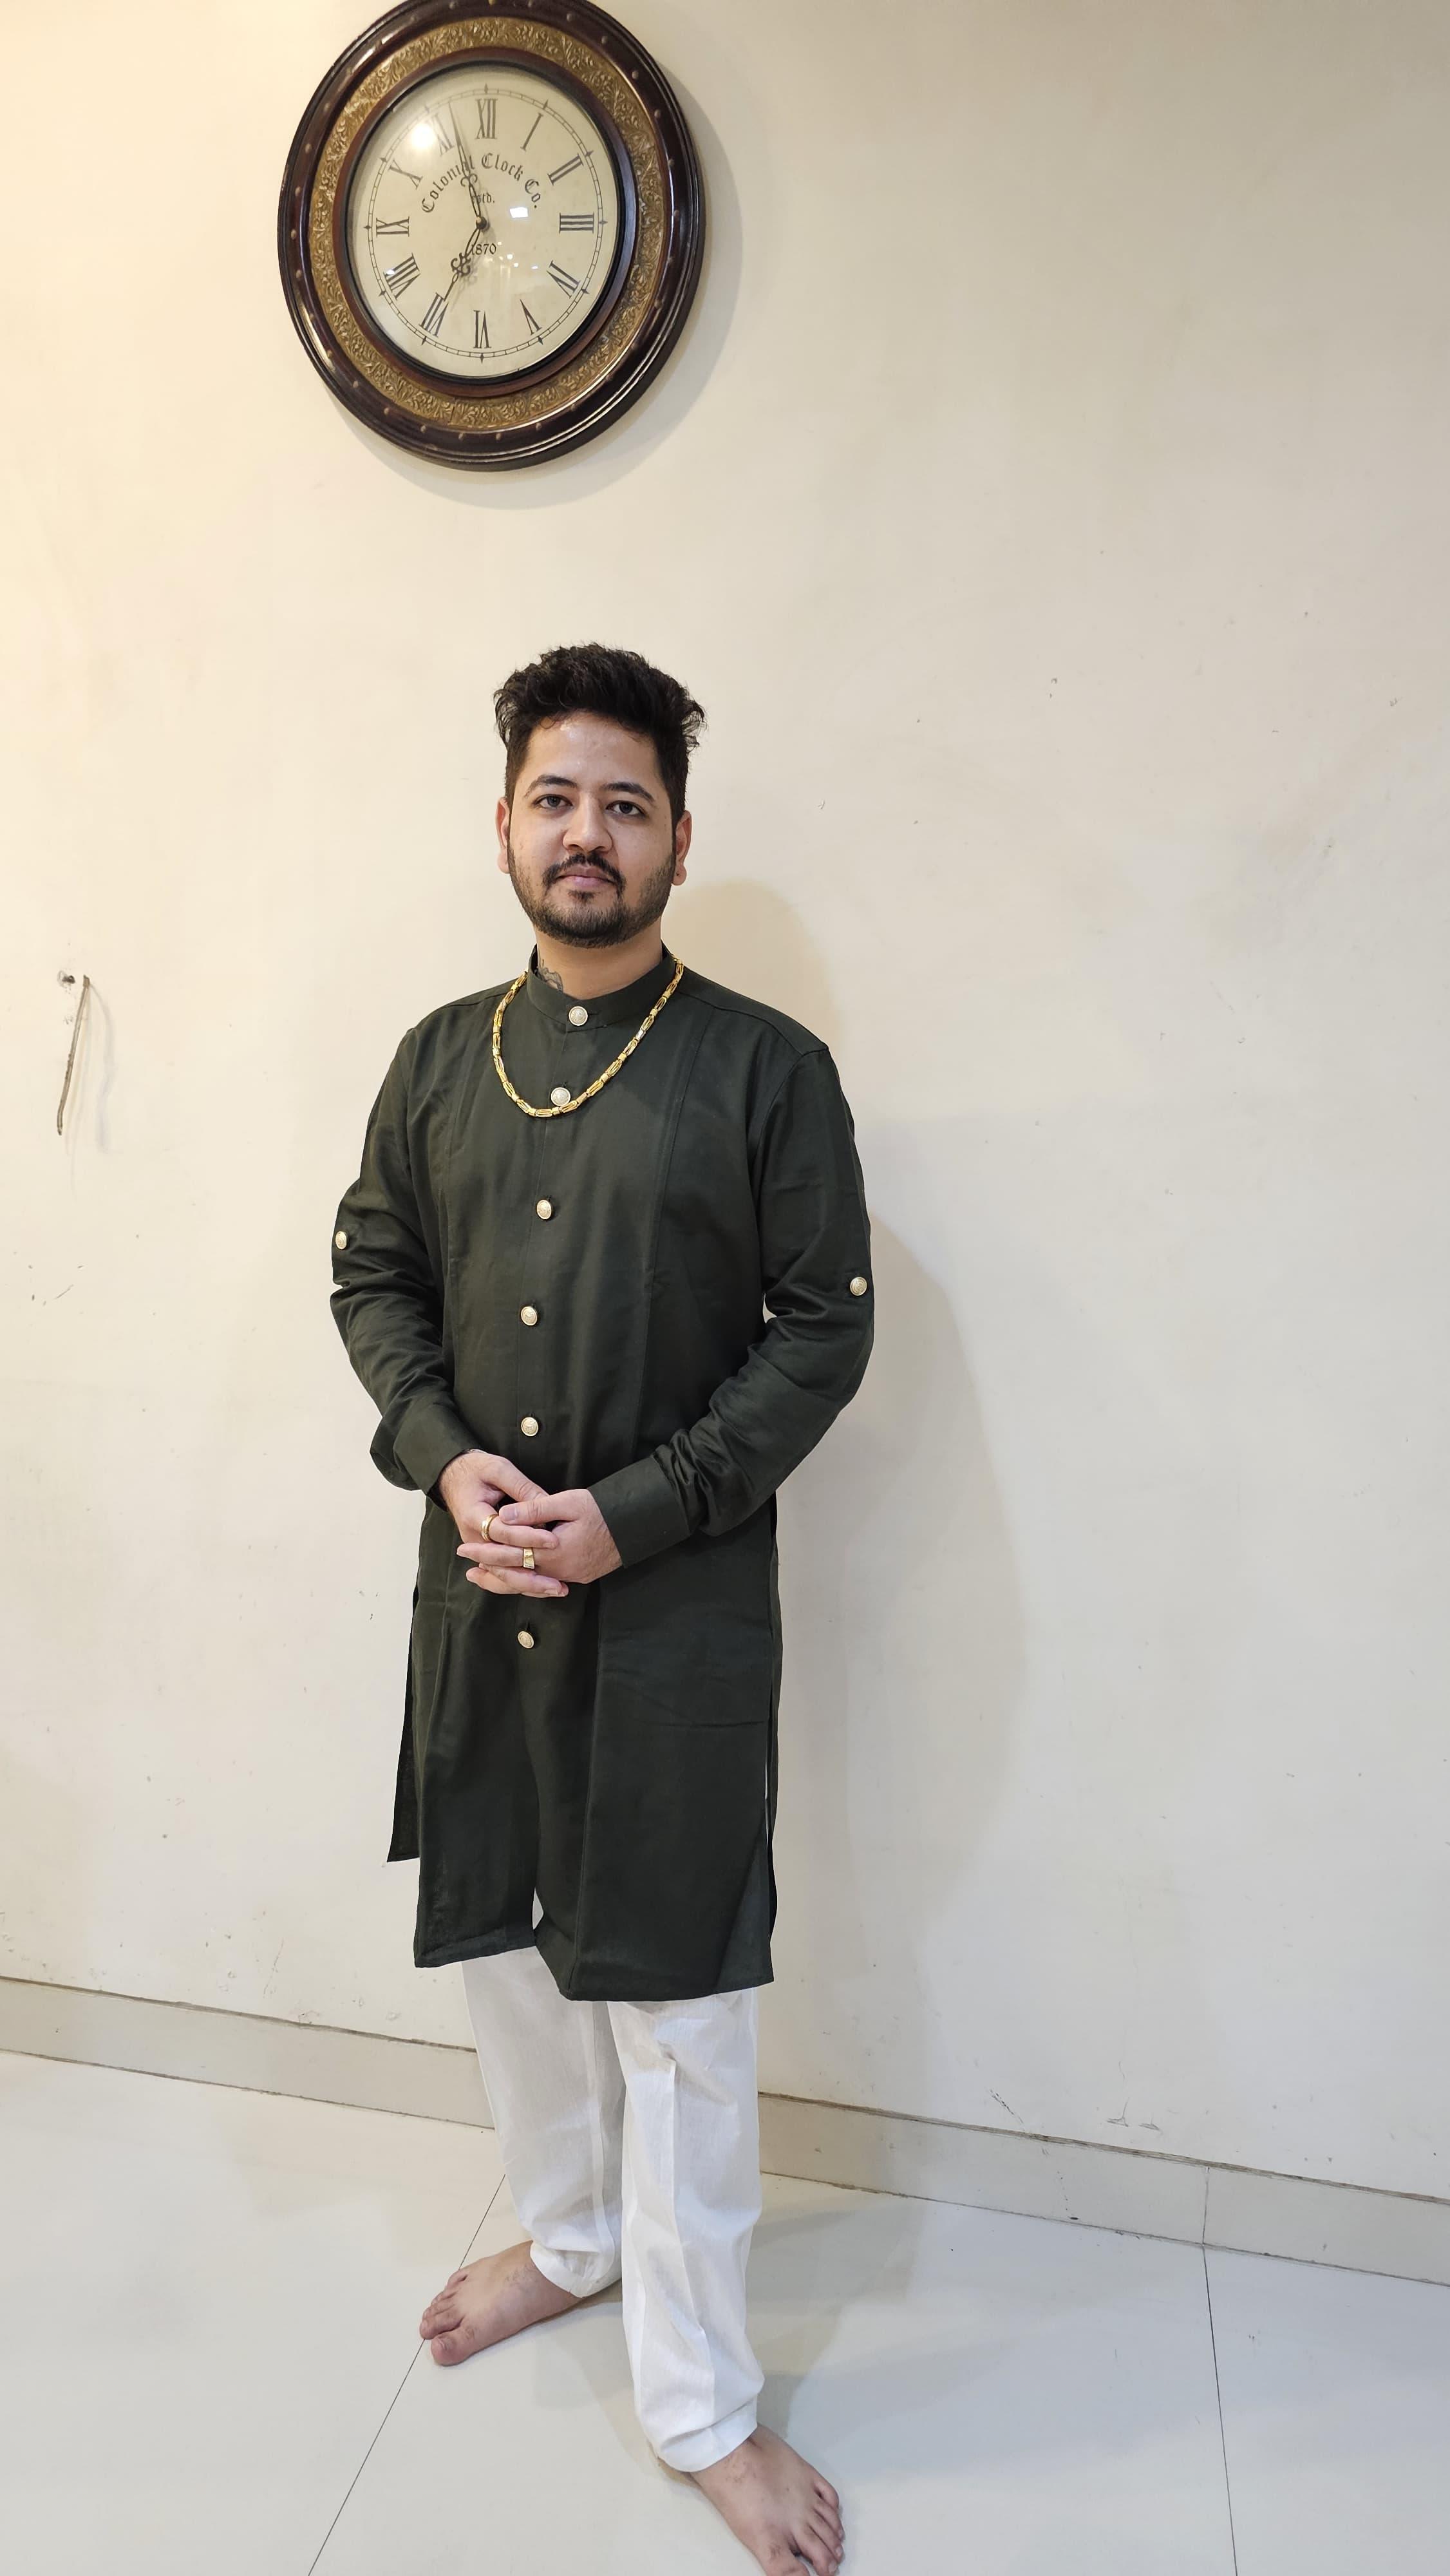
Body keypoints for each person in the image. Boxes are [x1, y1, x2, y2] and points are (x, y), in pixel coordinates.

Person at [330, 644, 873, 2576]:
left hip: (677, 1619)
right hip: (481, 1592)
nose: (588, 833)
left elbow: (822, 1336)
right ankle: (568, 2242)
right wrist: (441, 1456)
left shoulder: (765, 1071)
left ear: (676, 841)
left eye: (624, 804)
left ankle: (703, 2407)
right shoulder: (435, 1061)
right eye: (556, 798)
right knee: (507, 1952)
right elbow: (375, 1274)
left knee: (683, 2013)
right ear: (504, 825)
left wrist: (630, 1520)